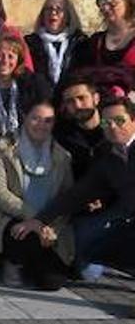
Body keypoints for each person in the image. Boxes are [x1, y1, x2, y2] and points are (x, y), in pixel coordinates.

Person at [12, 93, 135, 281]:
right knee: (83, 248)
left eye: (119, 120)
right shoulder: (108, 156)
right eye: (106, 122)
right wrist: (40, 219)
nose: (112, 127)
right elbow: (77, 194)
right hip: (123, 212)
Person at [0, 101, 74, 290]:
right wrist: (33, 218)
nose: (41, 125)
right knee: (22, 232)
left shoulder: (63, 157)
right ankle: (13, 262)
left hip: (49, 224)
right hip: (13, 218)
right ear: (25, 118)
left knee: (52, 283)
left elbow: (67, 197)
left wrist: (49, 225)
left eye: (48, 121)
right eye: (35, 118)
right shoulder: (4, 149)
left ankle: (31, 263)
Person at [25, 0, 87, 91]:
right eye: (49, 9)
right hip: (40, 98)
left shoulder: (80, 42)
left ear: (68, 15)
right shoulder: (30, 42)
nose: (53, 13)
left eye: (59, 9)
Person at [75, 0, 135, 77]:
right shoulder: (95, 42)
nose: (106, 8)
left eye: (112, 3)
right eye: (102, 3)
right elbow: (80, 73)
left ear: (128, 4)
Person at [54, 74, 108, 181]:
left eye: (81, 98)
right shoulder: (62, 137)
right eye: (70, 101)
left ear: (96, 99)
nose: (77, 105)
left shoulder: (112, 127)